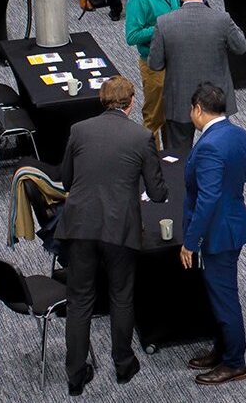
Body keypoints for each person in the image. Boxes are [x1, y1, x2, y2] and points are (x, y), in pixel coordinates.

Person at [55, 76, 167, 395]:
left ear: (101, 101)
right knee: (121, 296)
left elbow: (66, 181)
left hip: (79, 227)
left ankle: (75, 375)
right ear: (131, 103)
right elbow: (157, 193)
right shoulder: (141, 136)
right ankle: (123, 364)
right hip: (120, 230)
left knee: (79, 302)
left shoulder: (79, 130)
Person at [180, 82, 246, 386]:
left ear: (198, 109)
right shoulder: (240, 134)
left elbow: (208, 199)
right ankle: (222, 350)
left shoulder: (208, 145)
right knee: (222, 294)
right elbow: (244, 175)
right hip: (234, 221)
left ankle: (235, 363)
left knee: (225, 299)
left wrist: (189, 241)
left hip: (218, 234)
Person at [148, 0, 246, 152]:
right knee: (219, 151)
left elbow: (155, 64)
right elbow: (241, 47)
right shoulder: (222, 19)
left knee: (178, 157)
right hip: (216, 99)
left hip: (179, 99)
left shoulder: (164, 23)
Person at [124, 0, 180, 148]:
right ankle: (151, 158)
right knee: (154, 117)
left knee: (172, 114)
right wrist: (162, 25)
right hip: (153, 64)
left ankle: (171, 158)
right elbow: (131, 36)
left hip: (174, 59)